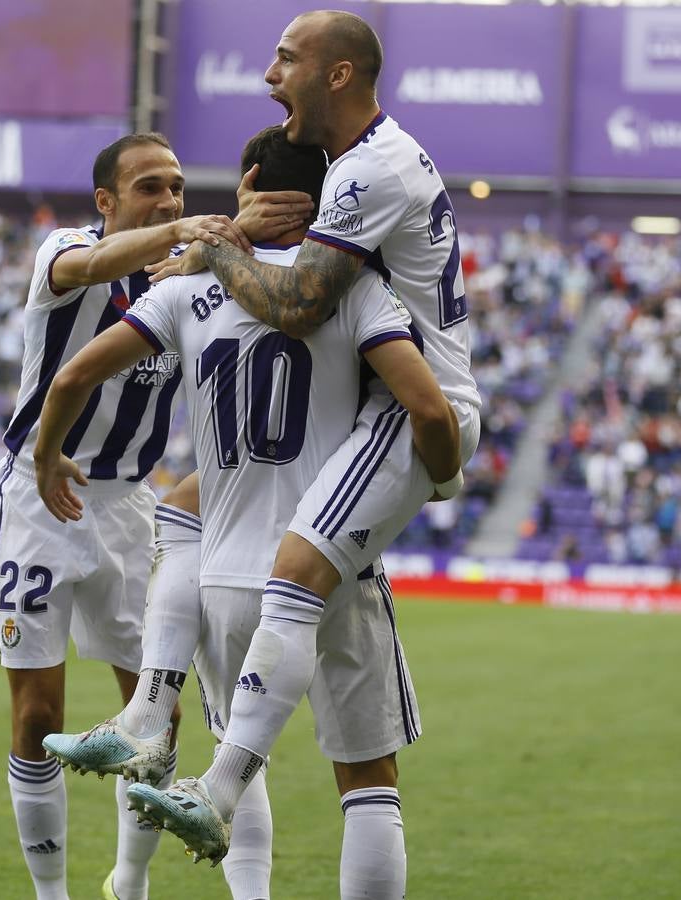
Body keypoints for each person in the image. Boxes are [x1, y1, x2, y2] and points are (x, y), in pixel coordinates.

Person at [35, 126, 460, 899]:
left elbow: (68, 380)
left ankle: (148, 709)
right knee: (368, 783)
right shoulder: (353, 289)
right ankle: (155, 728)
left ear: (250, 182)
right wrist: (440, 477)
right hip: (331, 567)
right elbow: (427, 407)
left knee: (237, 749)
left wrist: (45, 452)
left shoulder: (184, 287)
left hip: (221, 583)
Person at [127, 10, 483, 885]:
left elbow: (296, 307)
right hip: (379, 414)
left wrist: (211, 247)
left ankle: (214, 782)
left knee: (291, 572)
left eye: (285, 59)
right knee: (185, 508)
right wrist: (238, 232)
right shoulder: (356, 166)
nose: (267, 75)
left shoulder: (369, 172)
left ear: (337, 75)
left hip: (408, 409)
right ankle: (153, 718)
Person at [0, 131, 311, 900]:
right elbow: (93, 264)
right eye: (149, 187)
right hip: (41, 496)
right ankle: (51, 895)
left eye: (175, 187)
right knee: (38, 714)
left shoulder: (187, 277)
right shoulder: (68, 252)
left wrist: (234, 235)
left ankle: (126, 883)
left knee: (153, 718)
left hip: (130, 506)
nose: (169, 198)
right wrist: (183, 231)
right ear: (107, 203)